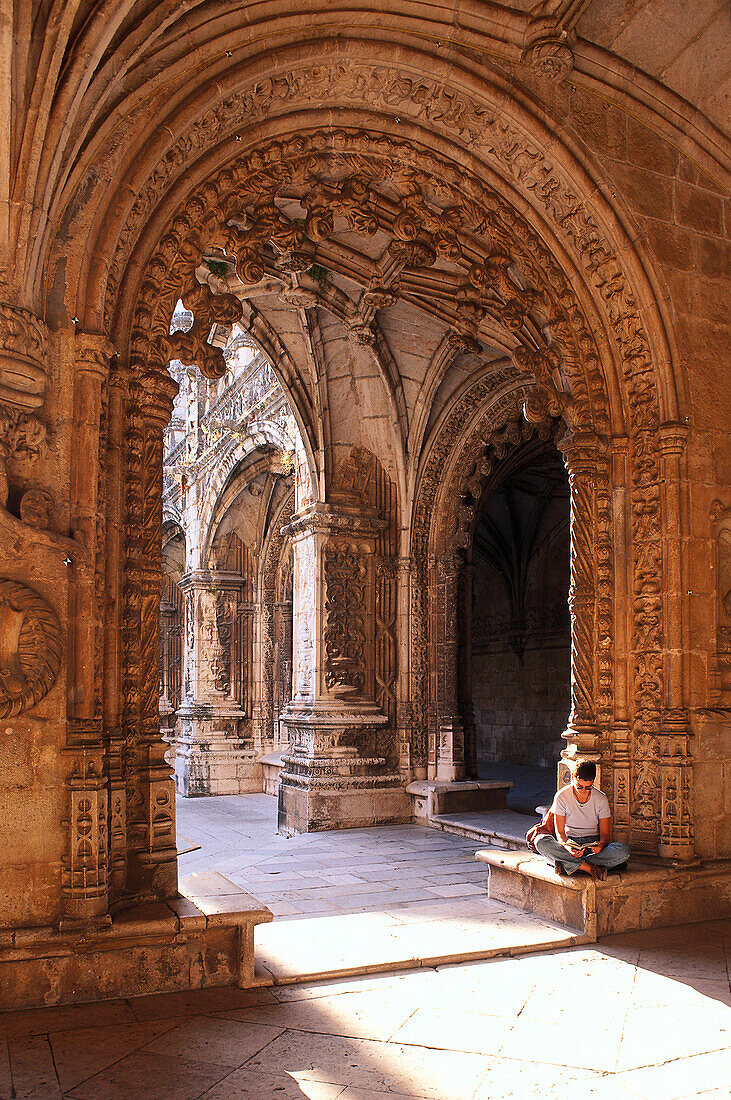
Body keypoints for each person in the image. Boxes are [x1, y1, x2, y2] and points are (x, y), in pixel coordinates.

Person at [534, 761, 631, 880]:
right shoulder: (562, 796)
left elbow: (605, 834)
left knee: (623, 850)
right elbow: (560, 833)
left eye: (588, 787)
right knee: (540, 841)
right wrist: (567, 847)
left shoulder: (601, 798)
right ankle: (590, 868)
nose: (583, 790)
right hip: (570, 843)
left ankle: (568, 865)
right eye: (579, 786)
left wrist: (600, 845)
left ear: (593, 782)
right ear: (573, 778)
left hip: (592, 846)